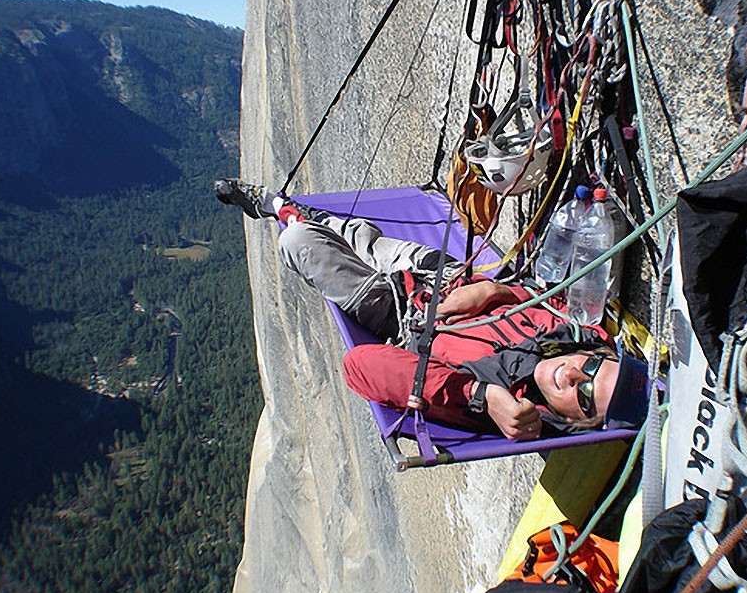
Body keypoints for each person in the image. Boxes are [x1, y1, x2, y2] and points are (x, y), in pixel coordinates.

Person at [215, 177, 650, 441]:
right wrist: (492, 292)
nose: (575, 376)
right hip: (441, 276)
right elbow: (538, 296)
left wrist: (478, 395)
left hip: (395, 310)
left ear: (577, 421)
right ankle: (303, 215)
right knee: (361, 237)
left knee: (299, 243)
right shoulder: (568, 334)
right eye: (592, 369)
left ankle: (279, 211)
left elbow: (359, 365)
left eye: (586, 397)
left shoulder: (506, 409)